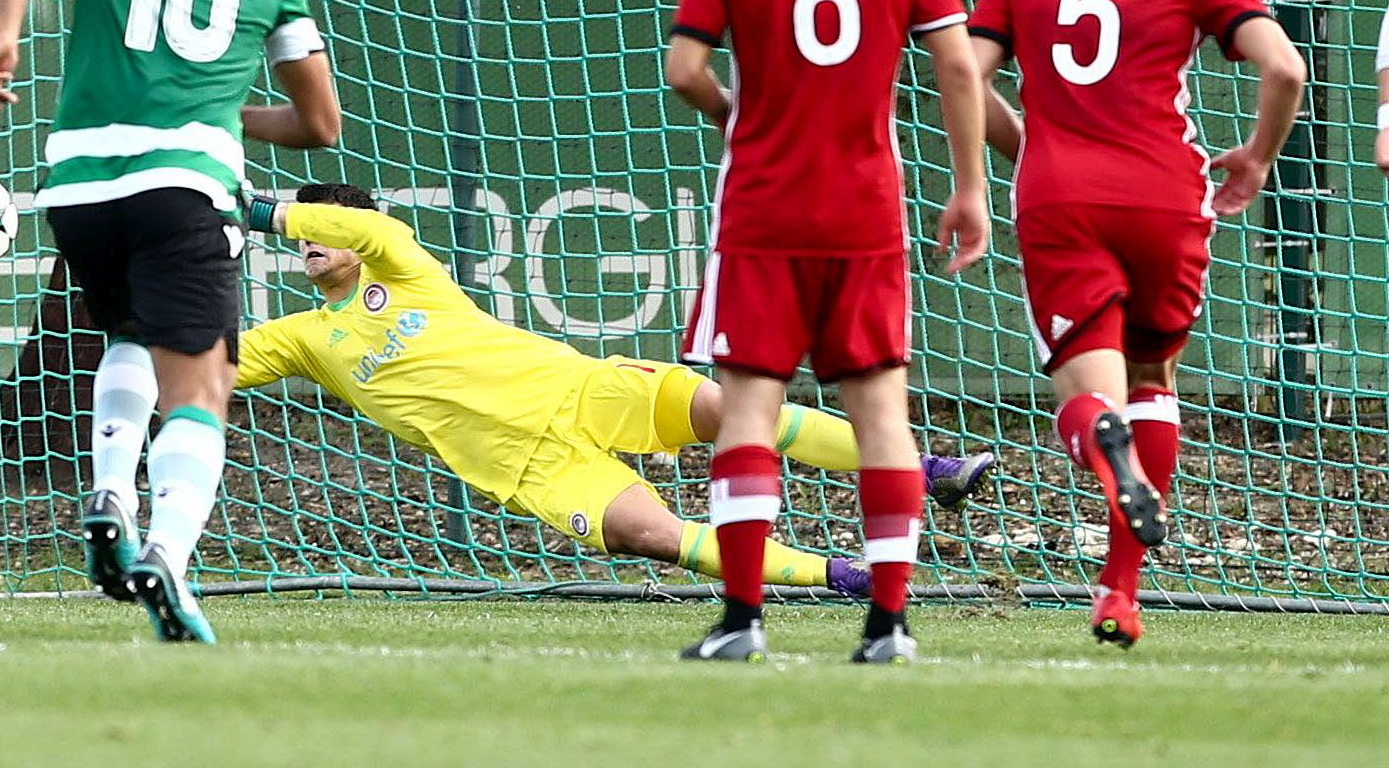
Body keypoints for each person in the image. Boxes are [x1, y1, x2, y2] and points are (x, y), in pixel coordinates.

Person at [0, 0, 341, 643]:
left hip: (78, 190)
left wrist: (4, 32)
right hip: (183, 187)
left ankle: (110, 490)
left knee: (129, 334)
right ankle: (166, 554)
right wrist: (222, 113)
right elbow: (319, 124)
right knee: (201, 386)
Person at [237, 184, 996, 595]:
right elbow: (214, 365)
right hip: (526, 465)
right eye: (304, 232)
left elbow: (370, 232)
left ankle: (928, 470)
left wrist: (263, 210)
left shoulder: (401, 264)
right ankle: (843, 576)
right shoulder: (306, 336)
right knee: (652, 536)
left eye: (324, 225)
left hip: (578, 387)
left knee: (730, 411)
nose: (310, 239)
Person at [666, 0, 990, 665]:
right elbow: (955, 63)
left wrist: (733, 112)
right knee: (881, 412)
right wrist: (969, 185)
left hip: (763, 205)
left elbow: (683, 67)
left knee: (746, 410)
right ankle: (887, 624)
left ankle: (740, 619)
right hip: (863, 206)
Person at [972, 0, 1303, 647]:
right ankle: (1118, 594)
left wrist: (1022, 145)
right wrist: (1256, 155)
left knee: (1088, 396)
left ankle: (1100, 437)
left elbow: (963, 74)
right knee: (1152, 378)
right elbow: (1284, 68)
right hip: (1165, 194)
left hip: (1062, 196)